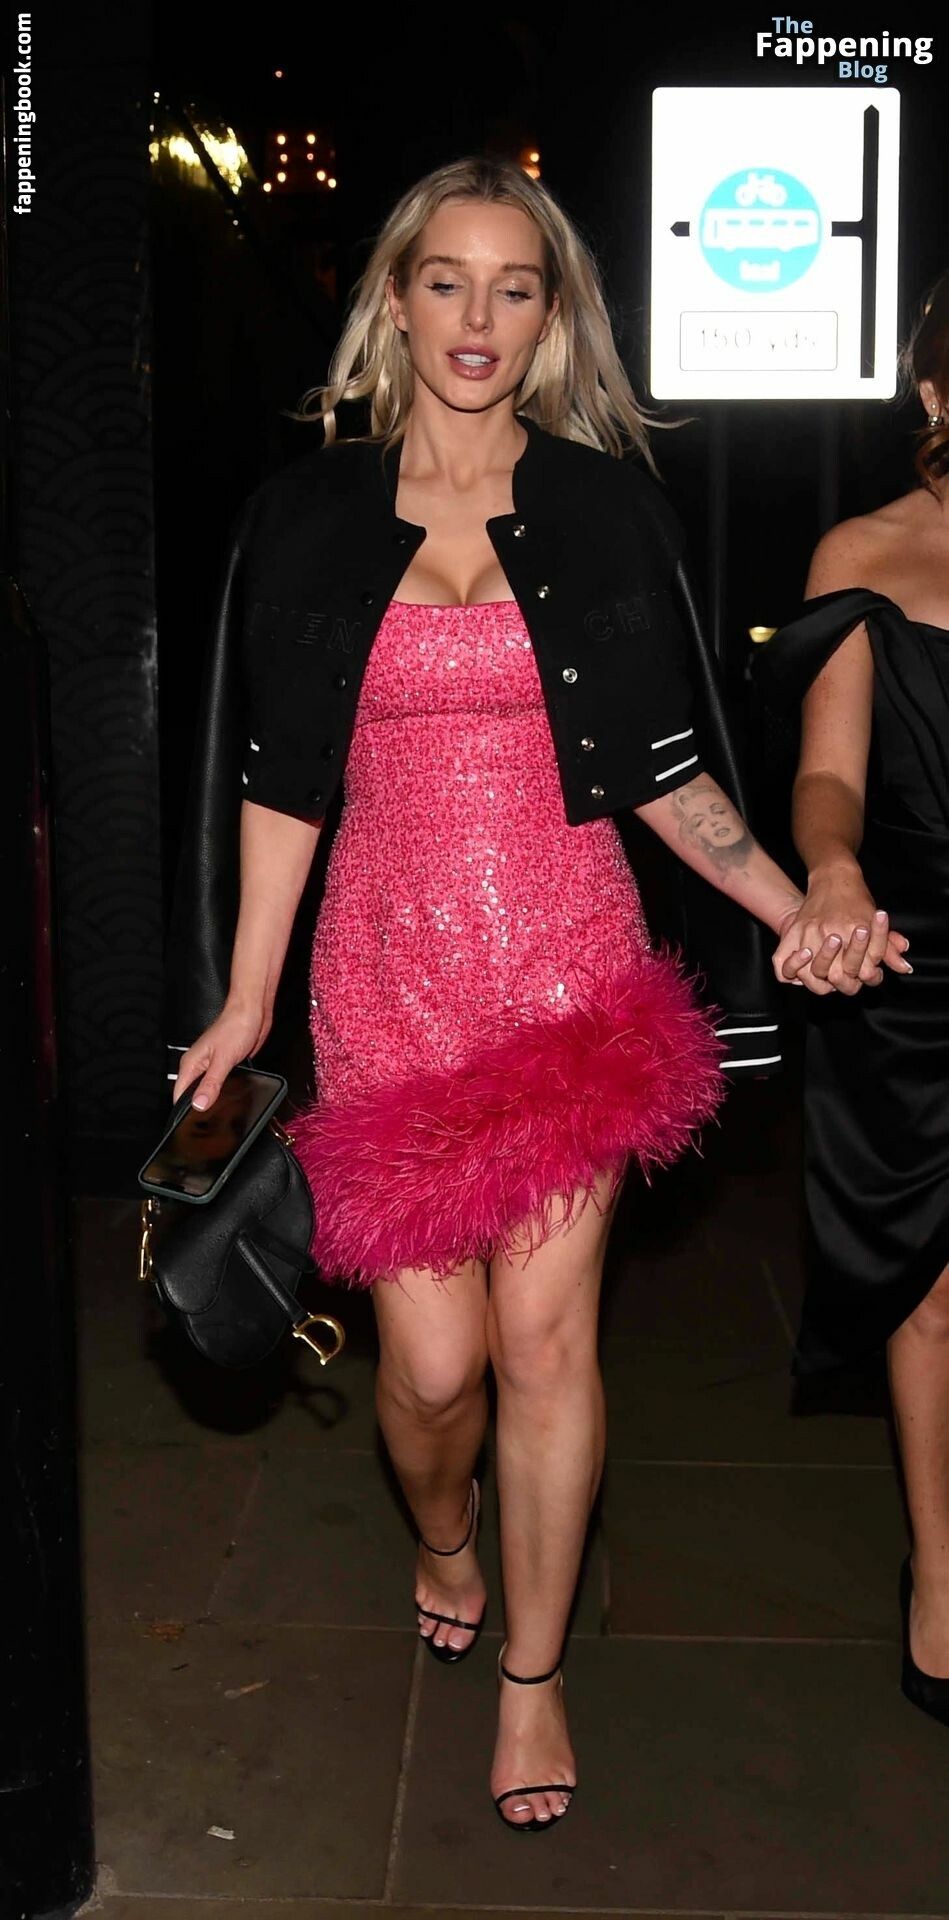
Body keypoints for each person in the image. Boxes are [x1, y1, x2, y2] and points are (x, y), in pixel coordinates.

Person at [169, 155, 831, 1831]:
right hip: (385, 976)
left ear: (551, 319)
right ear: (395, 301)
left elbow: (667, 769)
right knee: (431, 1377)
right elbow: (276, 786)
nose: (478, 317)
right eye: (446, 281)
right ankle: (446, 1531)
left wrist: (794, 900)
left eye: (514, 286)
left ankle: (533, 1677)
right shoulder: (305, 516)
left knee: (544, 1346)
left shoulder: (606, 510)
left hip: (566, 976)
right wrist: (244, 1002)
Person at [759, 271, 949, 1728]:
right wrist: (829, 870)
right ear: (935, 393)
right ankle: (942, 1574)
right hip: (915, 958)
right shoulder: (864, 554)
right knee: (928, 1287)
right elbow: (828, 772)